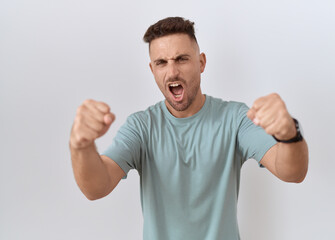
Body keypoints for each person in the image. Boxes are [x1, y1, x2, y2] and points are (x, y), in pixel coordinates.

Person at [69, 17, 308, 240]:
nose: (172, 72)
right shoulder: (141, 126)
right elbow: (96, 187)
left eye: (182, 59)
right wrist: (80, 146)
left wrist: (289, 134)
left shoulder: (234, 118)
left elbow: (292, 172)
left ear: (201, 63)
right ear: (152, 70)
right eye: (161, 62)